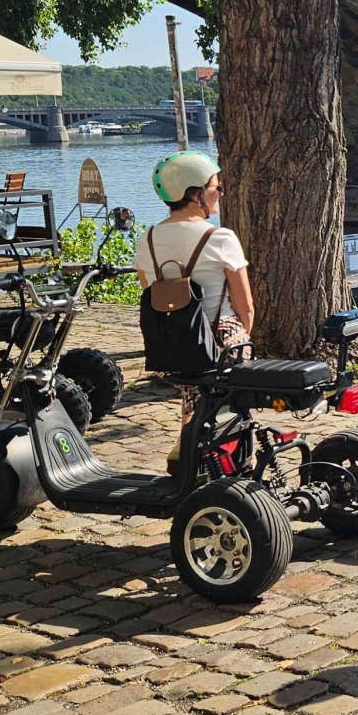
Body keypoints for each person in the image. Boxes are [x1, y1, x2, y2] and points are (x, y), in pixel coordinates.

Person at [134, 151, 253, 475]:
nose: (220, 192)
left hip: (172, 344)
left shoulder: (148, 239)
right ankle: (235, 453)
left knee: (194, 385)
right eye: (215, 186)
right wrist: (242, 336)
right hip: (219, 337)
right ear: (194, 192)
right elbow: (245, 306)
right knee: (235, 373)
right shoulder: (220, 237)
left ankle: (187, 445)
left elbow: (152, 292)